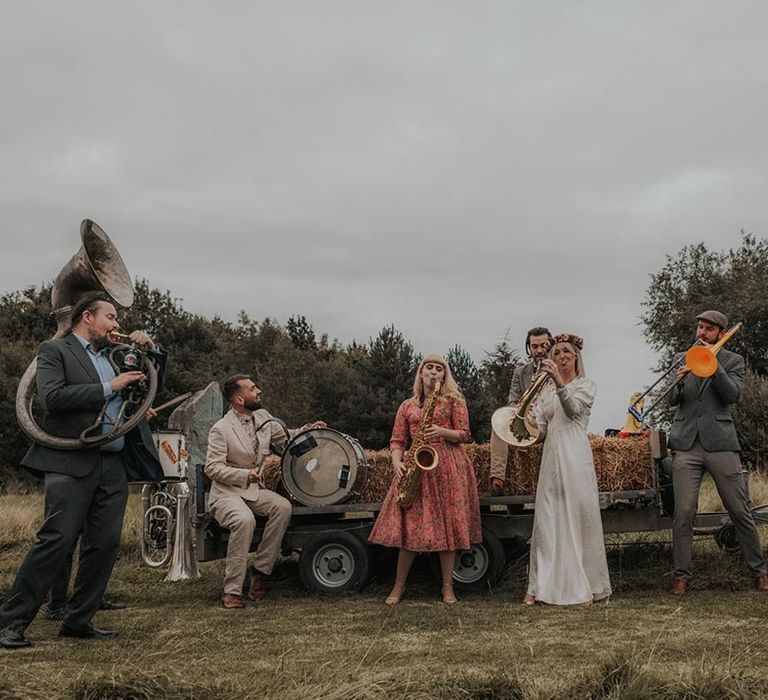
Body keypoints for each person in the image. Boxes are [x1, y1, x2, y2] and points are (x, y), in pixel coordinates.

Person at [0, 295, 163, 649]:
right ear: (87, 317)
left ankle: (79, 620)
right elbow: (52, 399)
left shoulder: (112, 355)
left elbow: (145, 390)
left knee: (104, 544)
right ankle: (11, 623)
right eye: (111, 316)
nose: (116, 324)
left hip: (111, 463)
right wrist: (110, 387)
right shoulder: (54, 350)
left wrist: (151, 352)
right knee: (56, 540)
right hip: (70, 460)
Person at [667, 310, 768, 595]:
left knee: (739, 509)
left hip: (721, 443)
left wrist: (712, 364)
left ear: (721, 334)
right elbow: (672, 401)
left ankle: (759, 570)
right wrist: (679, 381)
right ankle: (682, 576)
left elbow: (731, 395)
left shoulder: (733, 360)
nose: (701, 333)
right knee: (684, 512)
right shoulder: (681, 356)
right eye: (699, 327)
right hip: (686, 444)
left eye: (708, 329)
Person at [205, 375, 325, 609]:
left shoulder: (263, 417)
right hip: (227, 493)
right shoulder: (220, 429)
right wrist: (244, 475)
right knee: (244, 520)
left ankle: (261, 571)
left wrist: (310, 429)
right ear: (239, 399)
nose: (258, 391)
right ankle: (232, 591)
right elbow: (212, 468)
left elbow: (287, 436)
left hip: (253, 490)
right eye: (252, 389)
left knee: (282, 507)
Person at [369, 355, 482, 605]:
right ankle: (398, 587)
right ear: (420, 374)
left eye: (438, 369)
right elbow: (397, 441)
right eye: (428, 368)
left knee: (448, 525)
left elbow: (465, 434)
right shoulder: (407, 405)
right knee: (410, 527)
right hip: (415, 467)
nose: (433, 372)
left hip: (448, 466)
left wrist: (441, 431)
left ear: (445, 375)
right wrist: (397, 462)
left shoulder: (454, 400)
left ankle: (447, 588)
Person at [523, 334, 611, 606]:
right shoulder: (546, 390)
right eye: (557, 352)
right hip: (551, 455)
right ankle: (537, 587)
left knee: (576, 517)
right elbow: (543, 429)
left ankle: (583, 585)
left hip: (574, 452)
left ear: (576, 358)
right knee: (548, 521)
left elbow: (572, 411)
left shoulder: (586, 385)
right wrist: (525, 419)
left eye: (566, 353)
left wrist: (558, 382)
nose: (560, 356)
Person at [488, 327, 552, 496]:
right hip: (525, 422)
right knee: (498, 426)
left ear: (550, 346)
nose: (539, 351)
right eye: (534, 346)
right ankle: (497, 481)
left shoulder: (559, 370)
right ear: (529, 348)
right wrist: (523, 410)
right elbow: (512, 401)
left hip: (547, 424)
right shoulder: (520, 372)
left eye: (543, 346)